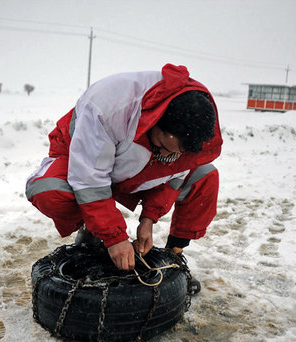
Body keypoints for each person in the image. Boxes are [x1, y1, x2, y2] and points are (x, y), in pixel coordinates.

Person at [25, 63, 222, 278]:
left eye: (177, 154)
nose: (169, 158)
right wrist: (114, 237)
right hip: (82, 157)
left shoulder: (196, 120)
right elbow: (89, 180)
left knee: (205, 176)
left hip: (139, 168)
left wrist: (149, 219)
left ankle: (173, 256)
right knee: (49, 192)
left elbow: (177, 174)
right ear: (156, 121)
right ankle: (93, 234)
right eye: (164, 148)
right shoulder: (107, 106)